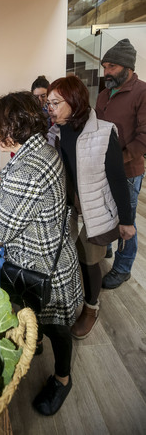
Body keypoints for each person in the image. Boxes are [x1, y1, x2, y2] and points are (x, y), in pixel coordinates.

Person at [0, 91, 83, 416]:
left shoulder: (26, 168)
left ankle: (62, 379)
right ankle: (34, 342)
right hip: (52, 254)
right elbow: (18, 197)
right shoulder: (40, 151)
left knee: (56, 327)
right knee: (43, 319)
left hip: (41, 265)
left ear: (15, 126)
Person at [46, 76, 135, 339]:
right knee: (72, 258)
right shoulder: (55, 133)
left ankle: (91, 307)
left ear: (73, 102)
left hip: (94, 211)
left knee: (91, 261)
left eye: (55, 103)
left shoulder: (104, 132)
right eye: (48, 103)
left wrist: (126, 220)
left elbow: (118, 180)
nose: (50, 108)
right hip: (68, 210)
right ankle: (75, 298)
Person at [96, 38, 146, 289]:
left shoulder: (142, 92)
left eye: (112, 66)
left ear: (128, 66)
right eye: (105, 66)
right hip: (104, 168)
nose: (106, 72)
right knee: (106, 212)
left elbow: (144, 137)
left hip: (127, 170)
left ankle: (123, 267)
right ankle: (105, 246)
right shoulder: (104, 94)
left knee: (126, 222)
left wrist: (119, 159)